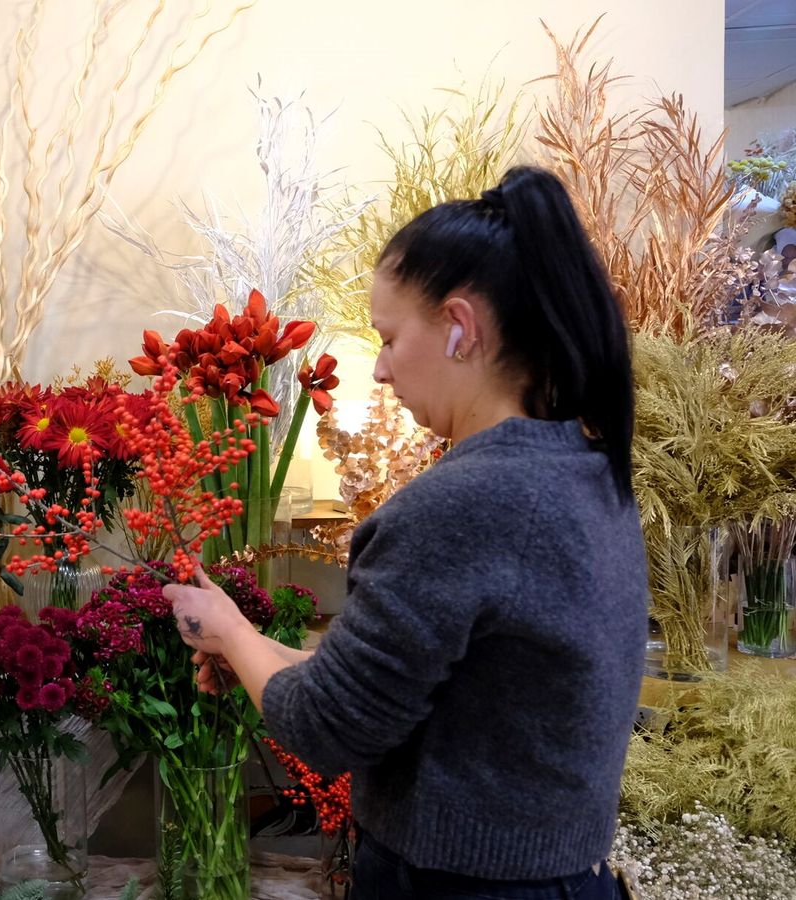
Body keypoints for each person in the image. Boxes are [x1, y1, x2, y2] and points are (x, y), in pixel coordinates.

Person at [165, 166, 646, 900]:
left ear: (461, 328)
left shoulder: (465, 503)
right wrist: (253, 648)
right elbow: (437, 691)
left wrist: (228, 630)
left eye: (388, 339)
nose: (383, 371)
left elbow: (327, 729)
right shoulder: (583, 467)